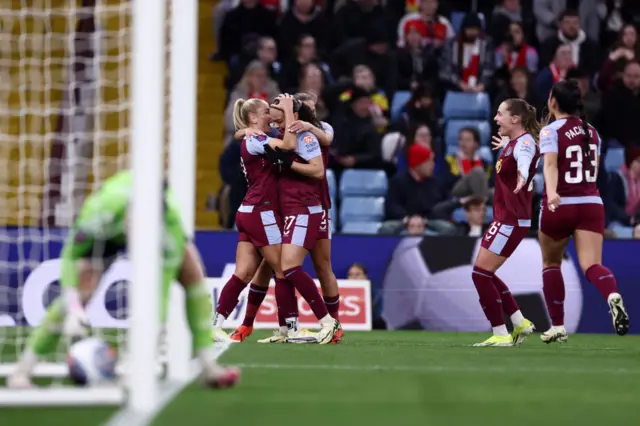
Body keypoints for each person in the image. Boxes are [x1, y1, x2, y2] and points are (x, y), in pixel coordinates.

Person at [8, 171, 240, 389]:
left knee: (192, 275)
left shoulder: (169, 229)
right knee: (81, 293)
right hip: (108, 236)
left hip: (157, 237)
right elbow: (71, 254)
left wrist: (147, 345)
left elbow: (158, 294)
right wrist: (74, 306)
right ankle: (23, 369)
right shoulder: (102, 210)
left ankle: (207, 365)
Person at [229, 92, 343, 344]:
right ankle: (275, 327)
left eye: (278, 111)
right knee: (269, 268)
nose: (273, 116)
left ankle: (330, 323)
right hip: (281, 210)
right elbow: (255, 138)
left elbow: (318, 165)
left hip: (308, 206)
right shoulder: (280, 134)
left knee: (304, 267)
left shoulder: (312, 132)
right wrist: (243, 131)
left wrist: (289, 159)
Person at [538, 80, 630, 343]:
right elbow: (594, 173)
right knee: (592, 264)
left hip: (561, 203)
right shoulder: (594, 133)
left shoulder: (550, 131)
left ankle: (557, 325)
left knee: (551, 262)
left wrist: (553, 191)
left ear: (553, 102)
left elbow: (551, 166)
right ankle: (612, 295)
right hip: (591, 204)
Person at [471, 99, 540, 347]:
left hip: (510, 219)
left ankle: (501, 333)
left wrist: (522, 176)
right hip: (507, 218)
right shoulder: (515, 143)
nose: (495, 118)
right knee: (485, 273)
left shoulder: (524, 144)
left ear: (515, 119)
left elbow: (524, 160)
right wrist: (507, 145)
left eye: (500, 114)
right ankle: (519, 321)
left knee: (480, 274)